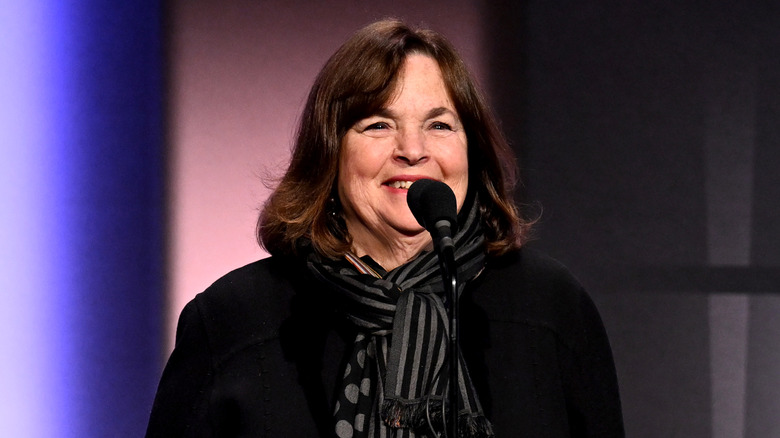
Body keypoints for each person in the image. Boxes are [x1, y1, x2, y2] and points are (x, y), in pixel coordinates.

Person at [146, 18, 624, 438]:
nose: (412, 150)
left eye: (440, 126)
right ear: (330, 153)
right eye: (378, 125)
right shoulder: (235, 318)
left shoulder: (549, 306)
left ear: (471, 151)